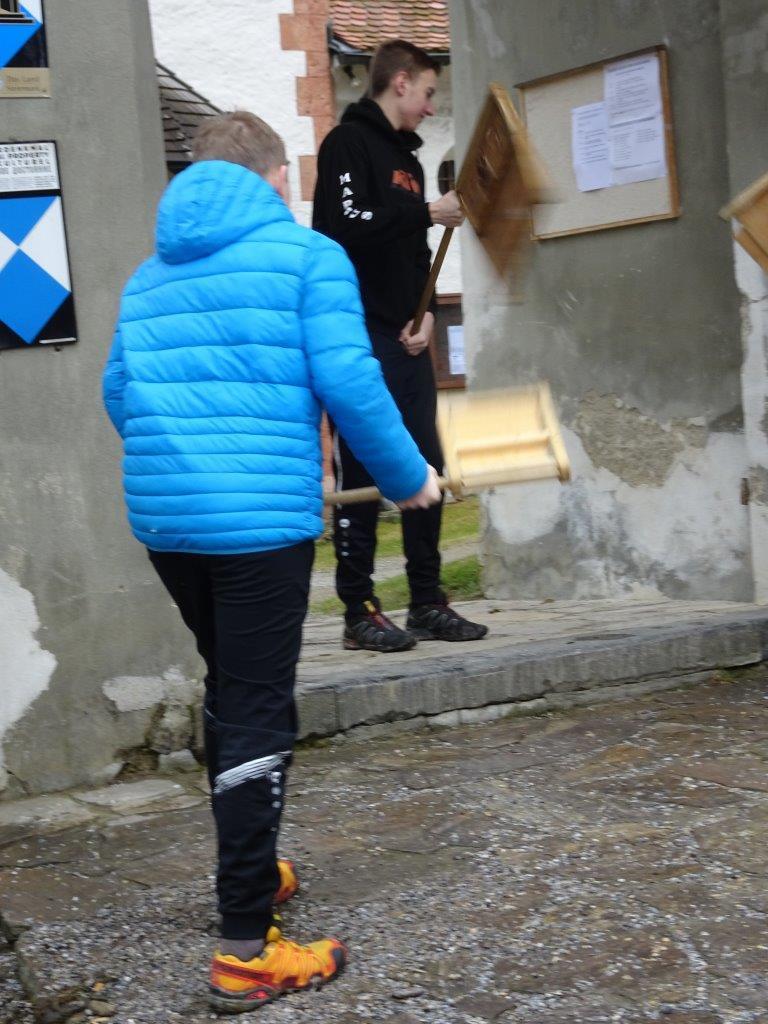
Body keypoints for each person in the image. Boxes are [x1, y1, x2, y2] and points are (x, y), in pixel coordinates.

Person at [102, 111, 440, 1013]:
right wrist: (409, 476)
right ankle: (246, 949)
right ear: (272, 176)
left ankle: (251, 865)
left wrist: (183, 463)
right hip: (256, 526)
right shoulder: (306, 257)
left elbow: (118, 392)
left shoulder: (148, 274)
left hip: (169, 526)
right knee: (256, 709)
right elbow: (350, 381)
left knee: (232, 690)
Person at [313, 38, 488, 653]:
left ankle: (427, 600)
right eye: (429, 92)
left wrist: (429, 315)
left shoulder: (408, 163)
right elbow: (343, 226)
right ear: (401, 82)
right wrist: (427, 213)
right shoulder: (347, 144)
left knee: (426, 465)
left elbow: (416, 258)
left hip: (407, 337)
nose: (431, 106)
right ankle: (359, 609)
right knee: (362, 467)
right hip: (356, 333)